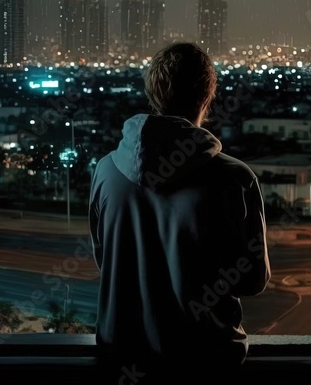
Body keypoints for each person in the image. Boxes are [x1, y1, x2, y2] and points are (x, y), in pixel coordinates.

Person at [89, 41, 271, 379]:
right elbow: (252, 279)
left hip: (120, 361)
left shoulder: (105, 171)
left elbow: (105, 261)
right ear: (207, 97)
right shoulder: (234, 178)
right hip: (205, 361)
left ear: (153, 93)